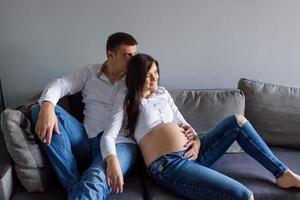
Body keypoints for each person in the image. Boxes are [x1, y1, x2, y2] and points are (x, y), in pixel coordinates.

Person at [101, 53, 300, 200]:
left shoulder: (163, 94)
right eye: (148, 75)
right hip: (169, 165)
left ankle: (283, 174)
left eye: (156, 73)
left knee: (237, 121)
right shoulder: (127, 100)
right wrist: (111, 160)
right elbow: (108, 135)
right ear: (136, 76)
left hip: (194, 152)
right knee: (244, 195)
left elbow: (182, 122)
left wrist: (195, 139)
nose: (155, 79)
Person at [31, 32, 140, 200]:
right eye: (128, 56)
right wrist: (47, 105)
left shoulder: (137, 80)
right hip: (87, 140)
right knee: (40, 109)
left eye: (135, 55)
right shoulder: (89, 72)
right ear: (110, 55)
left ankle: (79, 191)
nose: (133, 61)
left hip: (120, 143)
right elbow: (61, 84)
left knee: (94, 180)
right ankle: (73, 183)